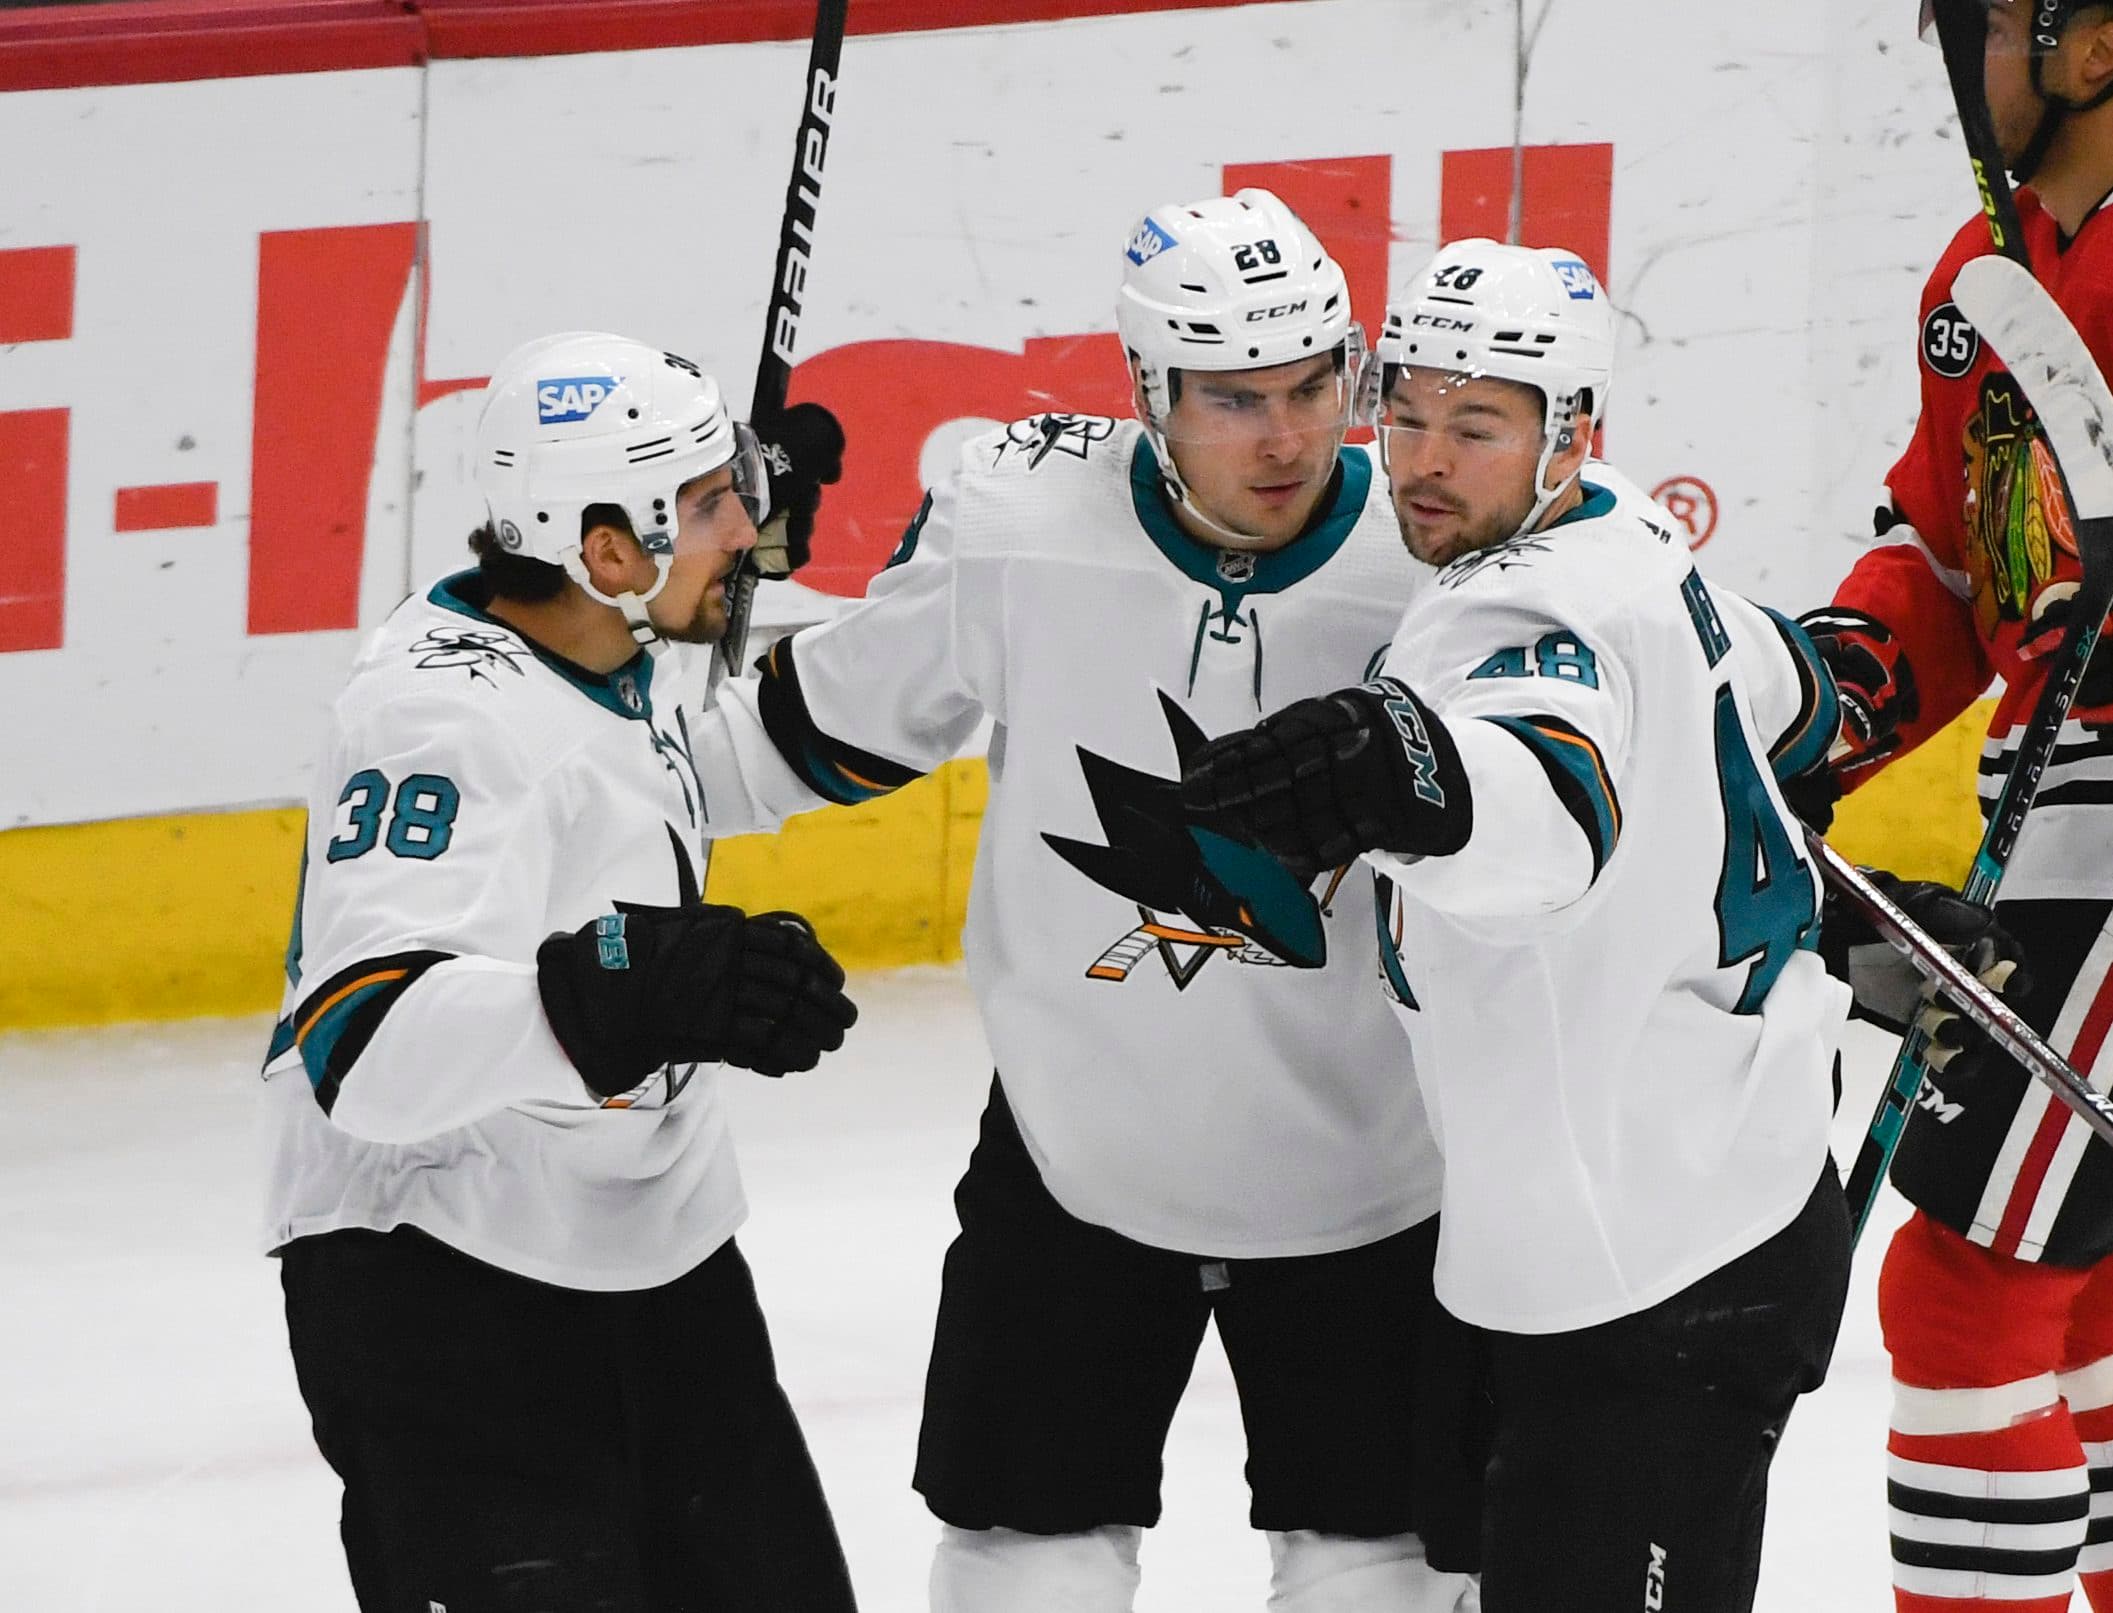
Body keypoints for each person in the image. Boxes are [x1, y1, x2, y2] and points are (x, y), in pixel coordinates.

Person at [695, 189, 1479, 1611]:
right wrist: (679, 634)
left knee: (1378, 1565)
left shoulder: (1434, 567)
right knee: (1022, 1552)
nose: (1288, 437)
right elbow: (782, 740)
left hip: (1380, 1172)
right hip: (1076, 1152)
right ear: (1146, 390)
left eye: (1316, 387)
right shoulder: (1020, 529)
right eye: (1235, 397)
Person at [1176, 238, 1877, 1613]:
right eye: (1410, 415)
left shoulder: (1527, 610)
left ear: (1569, 433)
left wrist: (1412, 776)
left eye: (1477, 427)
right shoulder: (1630, 537)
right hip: (1654, 1207)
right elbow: (1793, 700)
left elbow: (1549, 808)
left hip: (1655, 1268)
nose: (1425, 460)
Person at [259, 332, 862, 1613]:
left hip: (659, 1264)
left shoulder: (589, 629)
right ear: (603, 551)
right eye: (709, 503)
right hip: (443, 1289)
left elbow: (693, 757)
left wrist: (734, 517)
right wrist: (630, 985)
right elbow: (363, 1046)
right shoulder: (439, 722)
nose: (746, 524)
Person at [1795, 3, 2113, 1607]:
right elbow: (1943, 555)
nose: (1958, 55)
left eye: (1989, 19)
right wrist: (1824, 696)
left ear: (2094, 46)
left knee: (1966, 1281)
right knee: (2088, 1296)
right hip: (2051, 809)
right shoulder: (1979, 280)